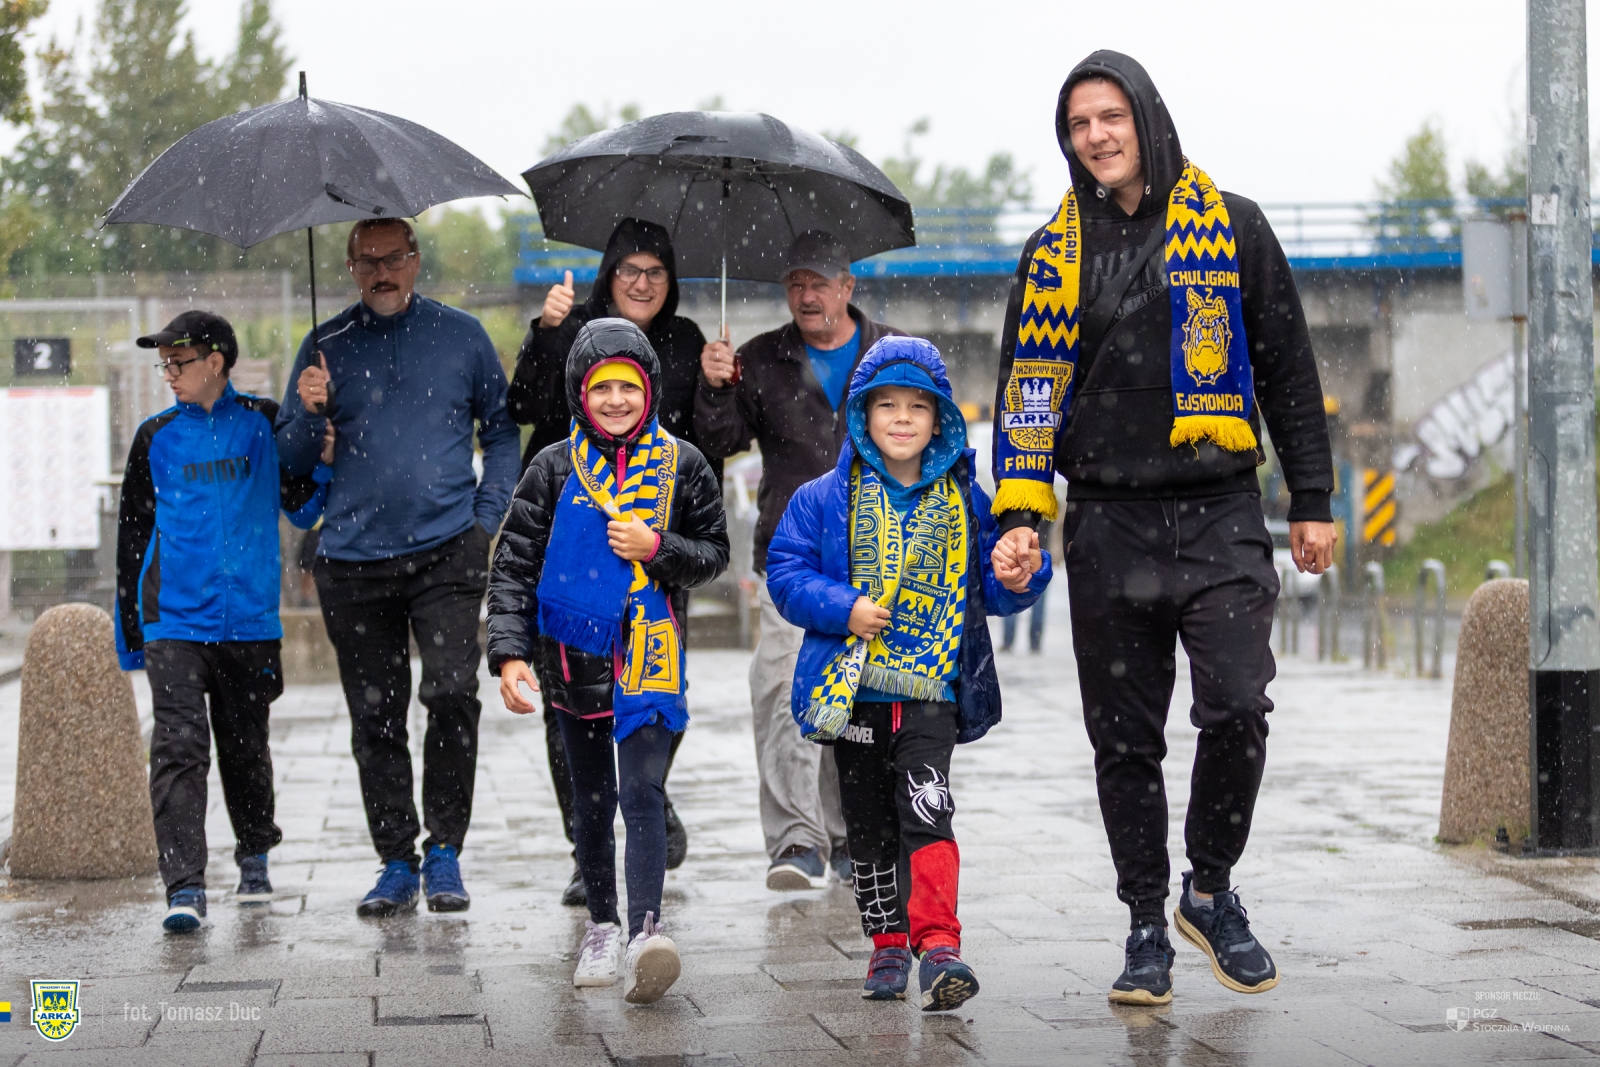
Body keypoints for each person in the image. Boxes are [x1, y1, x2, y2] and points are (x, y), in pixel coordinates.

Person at [988, 51, 1335, 1005]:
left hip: (1221, 511)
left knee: (1239, 706)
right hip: (1108, 523)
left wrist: (1312, 498)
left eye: (1110, 116)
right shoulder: (1050, 254)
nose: (1095, 136)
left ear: (1147, 117)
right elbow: (1026, 396)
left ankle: (1209, 888)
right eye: (1078, 124)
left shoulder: (1236, 227)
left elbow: (1288, 366)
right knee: (1125, 741)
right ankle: (1145, 922)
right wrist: (1019, 513)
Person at [766, 336, 1049, 1010]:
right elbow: (785, 573)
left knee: (928, 811)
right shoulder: (822, 497)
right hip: (853, 695)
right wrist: (844, 607)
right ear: (862, 414)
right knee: (868, 828)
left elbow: (992, 587)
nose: (900, 418)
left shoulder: (969, 499)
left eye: (917, 406)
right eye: (885, 404)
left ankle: (940, 944)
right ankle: (888, 943)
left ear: (940, 417)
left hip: (932, 696)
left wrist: (1021, 576)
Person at [275, 217, 521, 917]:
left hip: (448, 551)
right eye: (367, 261)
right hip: (353, 563)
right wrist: (308, 413)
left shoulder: (463, 336)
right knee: (375, 716)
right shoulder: (323, 346)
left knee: (452, 695)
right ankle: (394, 861)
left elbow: (502, 432)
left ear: (415, 261)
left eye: (393, 258)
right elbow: (288, 461)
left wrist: (486, 520)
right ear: (351, 267)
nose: (381, 272)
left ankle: (444, 851)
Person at [489, 318, 729, 1003]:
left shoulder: (684, 463)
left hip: (651, 661)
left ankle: (645, 930)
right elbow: (513, 567)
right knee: (591, 804)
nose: (617, 400)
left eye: (629, 386)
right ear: (580, 392)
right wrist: (509, 654)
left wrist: (657, 548)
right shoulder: (553, 467)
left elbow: (714, 552)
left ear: (649, 389)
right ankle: (601, 923)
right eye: (602, 388)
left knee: (642, 793)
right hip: (573, 664)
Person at [507, 217, 715, 902]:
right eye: (630, 269)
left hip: (654, 551)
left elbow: (713, 445)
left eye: (656, 272)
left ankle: (645, 792)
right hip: (573, 548)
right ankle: (587, 845)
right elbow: (523, 404)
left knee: (658, 697)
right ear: (609, 274)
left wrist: (717, 387)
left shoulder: (688, 340)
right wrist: (545, 333)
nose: (642, 283)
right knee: (571, 709)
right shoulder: (571, 329)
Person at [696, 230, 903, 890]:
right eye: (795, 284)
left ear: (847, 286)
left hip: (881, 562)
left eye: (819, 282)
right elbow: (721, 442)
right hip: (792, 561)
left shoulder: (892, 353)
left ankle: (849, 839)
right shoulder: (762, 358)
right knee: (785, 690)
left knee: (859, 704)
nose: (807, 295)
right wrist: (716, 387)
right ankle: (796, 840)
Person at [114, 311, 318, 933]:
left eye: (179, 362)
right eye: (164, 365)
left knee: (245, 747)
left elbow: (303, 508)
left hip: (250, 621)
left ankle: (254, 856)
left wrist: (317, 435)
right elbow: (132, 539)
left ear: (216, 362)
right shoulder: (154, 437)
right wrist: (131, 636)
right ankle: (185, 886)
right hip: (174, 624)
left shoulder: (264, 422)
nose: (170, 374)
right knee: (177, 748)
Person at [1001, 521, 1051, 653]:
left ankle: (1008, 641)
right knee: (1037, 603)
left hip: (1018, 556)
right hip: (1038, 556)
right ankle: (1034, 642)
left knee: (1012, 599)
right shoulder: (1045, 513)